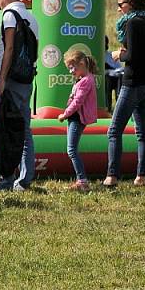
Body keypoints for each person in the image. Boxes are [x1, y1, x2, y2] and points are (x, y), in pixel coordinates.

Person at [0, 0, 39, 192]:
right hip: (26, 78)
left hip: (10, 80)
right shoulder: (31, 15)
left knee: (4, 128)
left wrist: (1, 79)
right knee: (23, 128)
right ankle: (25, 178)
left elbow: (9, 49)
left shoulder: (9, 15)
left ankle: (7, 178)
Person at [105, 0, 145, 187]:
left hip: (132, 83)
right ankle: (141, 176)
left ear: (131, 3)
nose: (119, 8)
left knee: (114, 131)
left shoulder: (132, 23)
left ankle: (112, 176)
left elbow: (133, 57)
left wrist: (118, 55)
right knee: (143, 133)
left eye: (121, 4)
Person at [58, 51, 99, 192]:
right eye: (69, 68)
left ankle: (82, 181)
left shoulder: (86, 81)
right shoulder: (84, 78)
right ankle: (81, 180)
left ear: (82, 64)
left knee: (71, 150)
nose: (71, 71)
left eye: (72, 67)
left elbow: (77, 102)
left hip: (77, 118)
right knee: (72, 149)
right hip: (75, 117)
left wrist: (65, 114)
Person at [104, 35, 124, 112]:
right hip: (106, 78)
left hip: (115, 76)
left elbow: (118, 67)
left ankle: (119, 108)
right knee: (108, 79)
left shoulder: (110, 54)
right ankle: (107, 107)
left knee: (120, 77)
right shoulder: (99, 55)